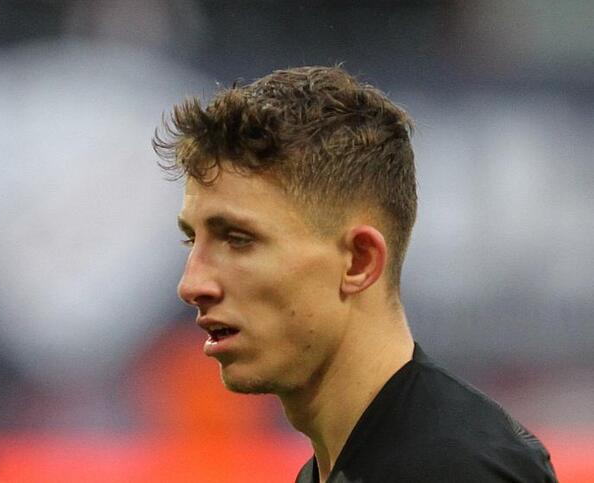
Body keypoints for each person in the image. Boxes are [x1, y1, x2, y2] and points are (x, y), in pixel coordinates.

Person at [153, 66, 557, 482]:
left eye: (239, 240)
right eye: (192, 240)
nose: (192, 285)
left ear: (359, 261)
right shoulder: (348, 466)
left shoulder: (456, 469)